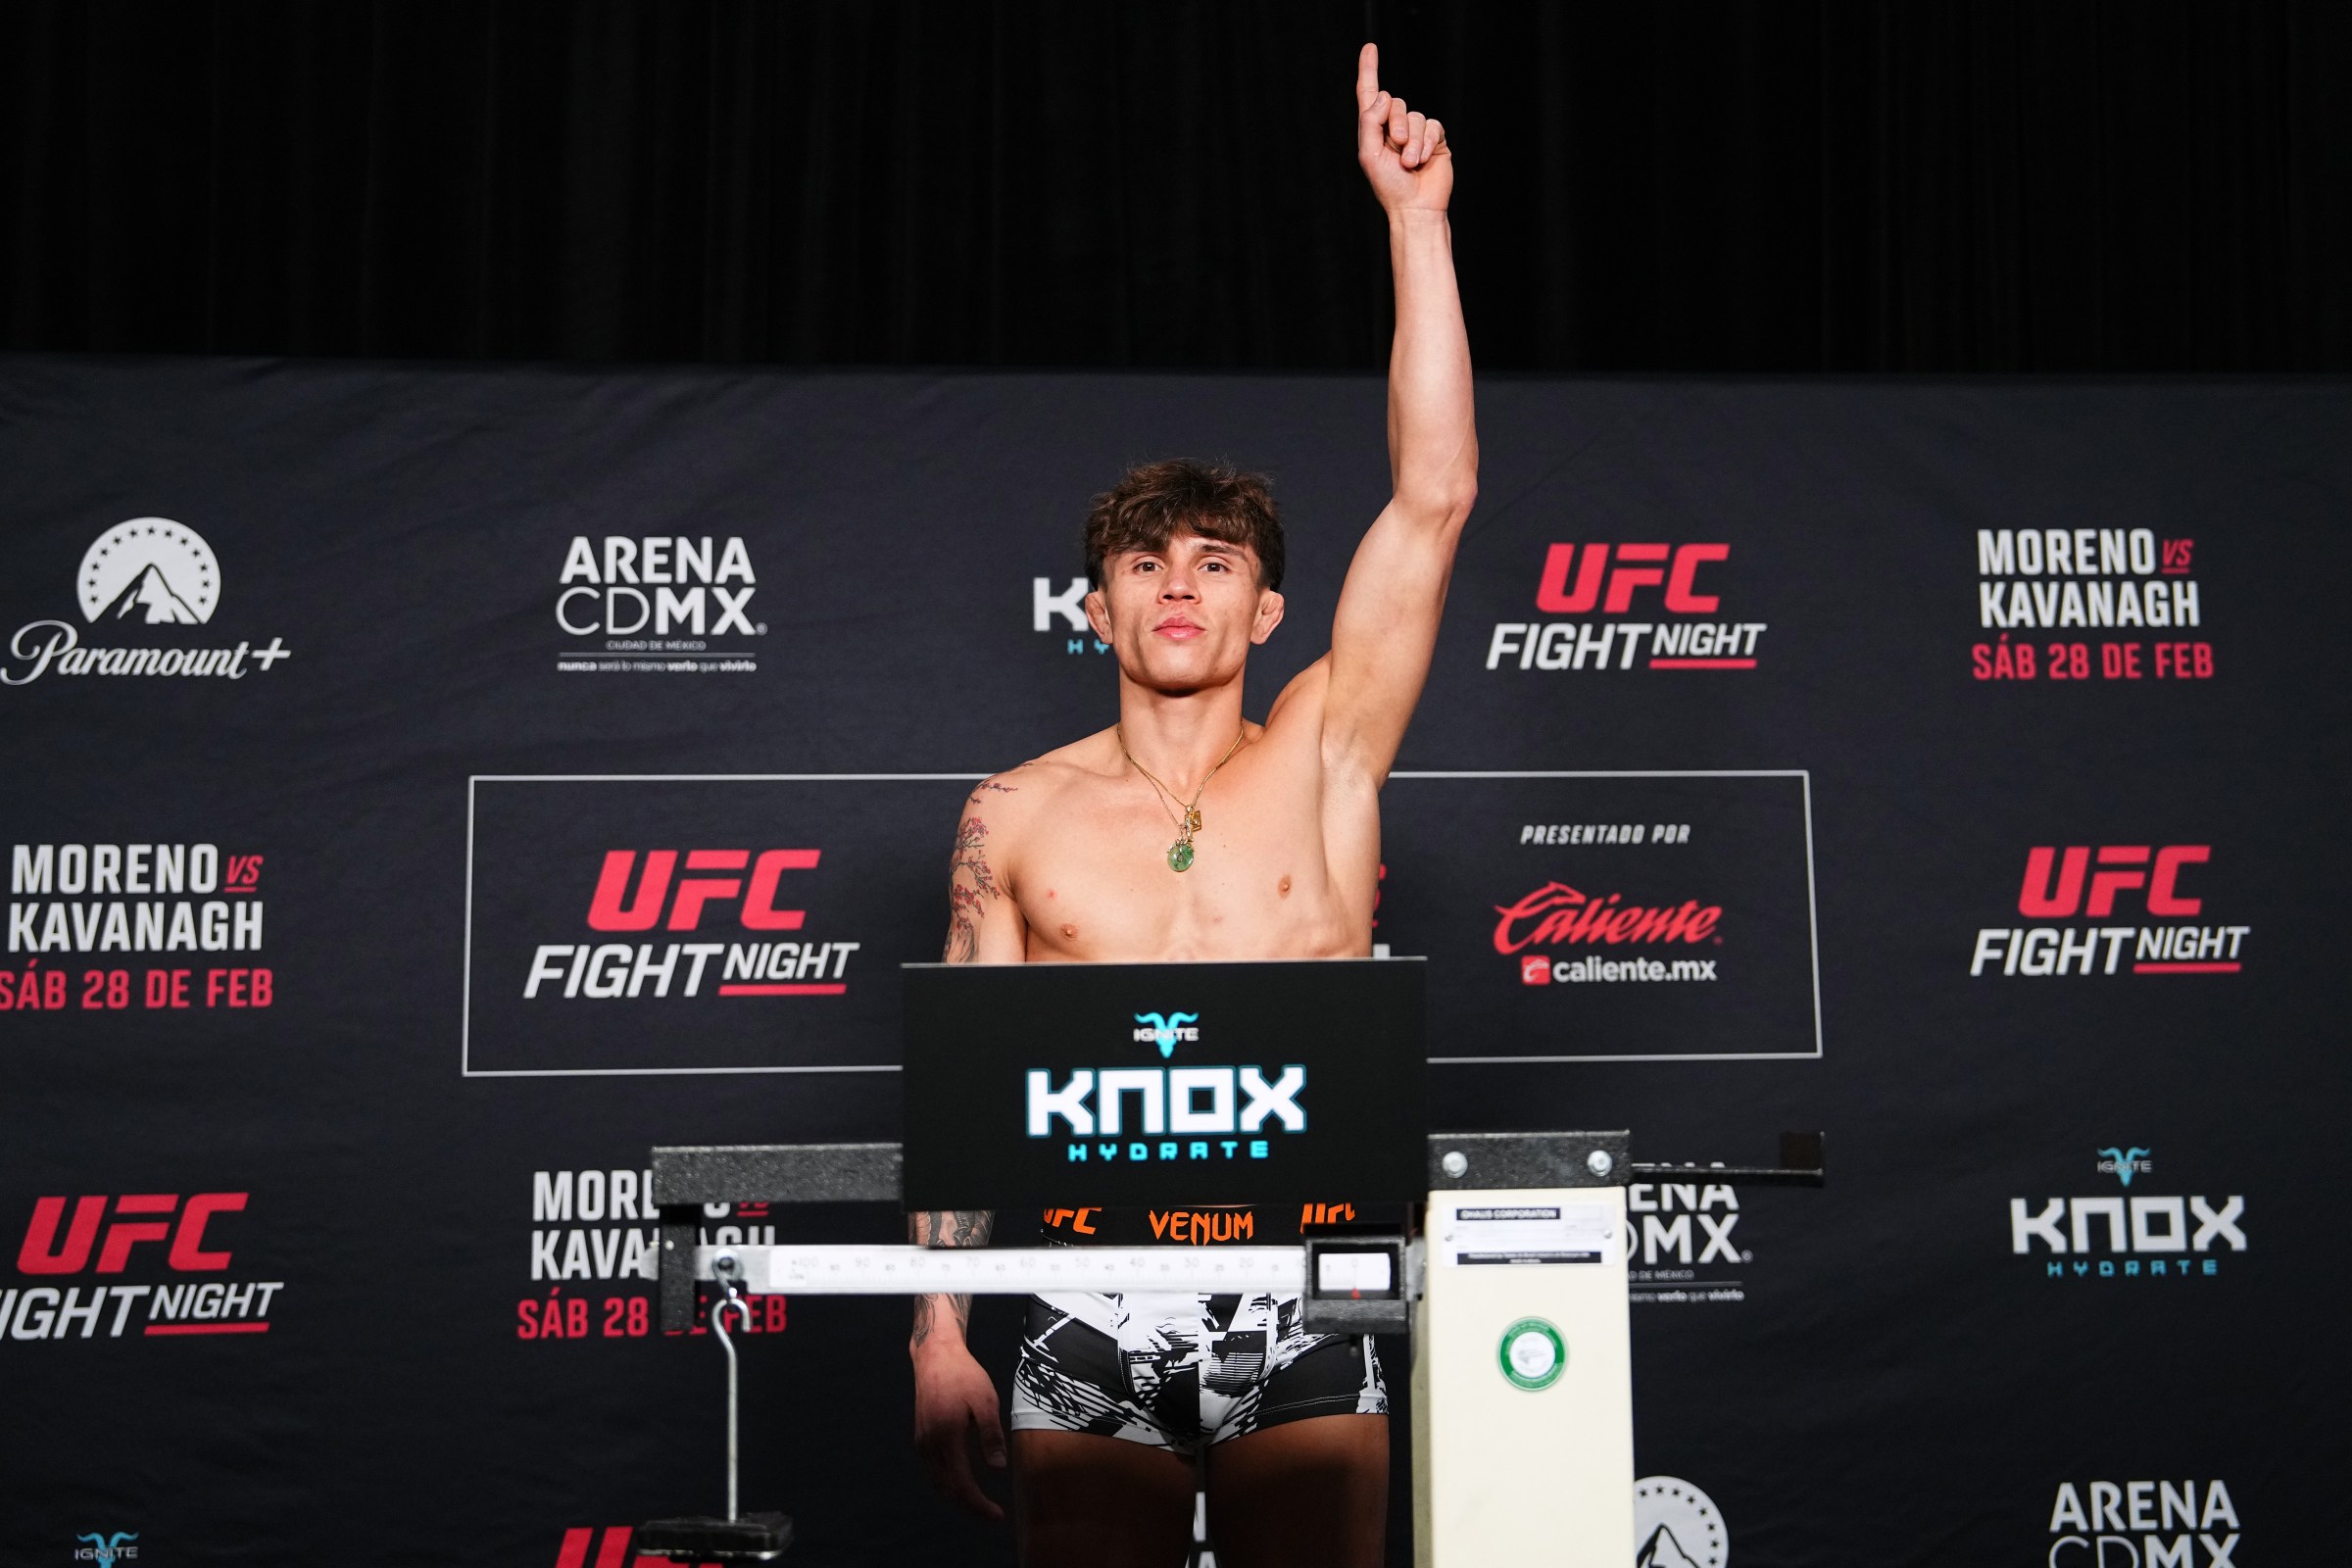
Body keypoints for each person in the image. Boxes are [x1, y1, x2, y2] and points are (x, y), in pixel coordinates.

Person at [907, 43, 1474, 1568]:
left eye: (1216, 561)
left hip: (1309, 1280)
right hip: (1083, 1301)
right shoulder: (1012, 818)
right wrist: (935, 1334)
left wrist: (1415, 221)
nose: (1179, 582)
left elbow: (1433, 498)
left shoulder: (1325, 758)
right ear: (1094, 611)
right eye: (1147, 563)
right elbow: (967, 1101)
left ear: (1269, 613)